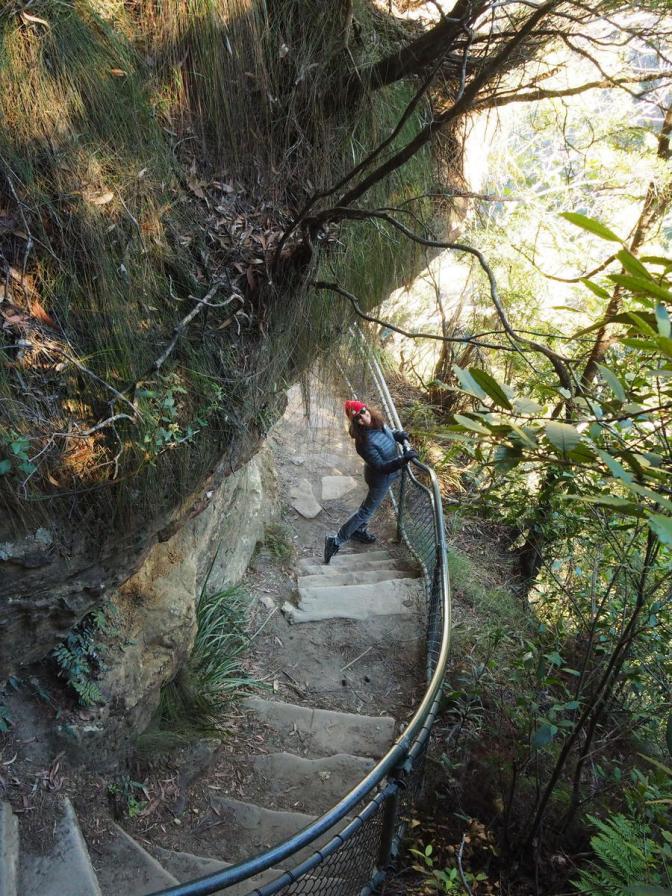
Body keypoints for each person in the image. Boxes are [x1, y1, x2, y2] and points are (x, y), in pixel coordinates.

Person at [324, 400, 418, 564]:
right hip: (380, 478)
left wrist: (398, 435)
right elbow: (381, 466)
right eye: (359, 418)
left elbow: (388, 434)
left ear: (367, 409)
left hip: (386, 474)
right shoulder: (363, 442)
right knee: (366, 511)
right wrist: (403, 459)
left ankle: (358, 531)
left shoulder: (377, 422)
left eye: (364, 412)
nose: (364, 418)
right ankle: (336, 540)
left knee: (368, 506)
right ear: (355, 423)